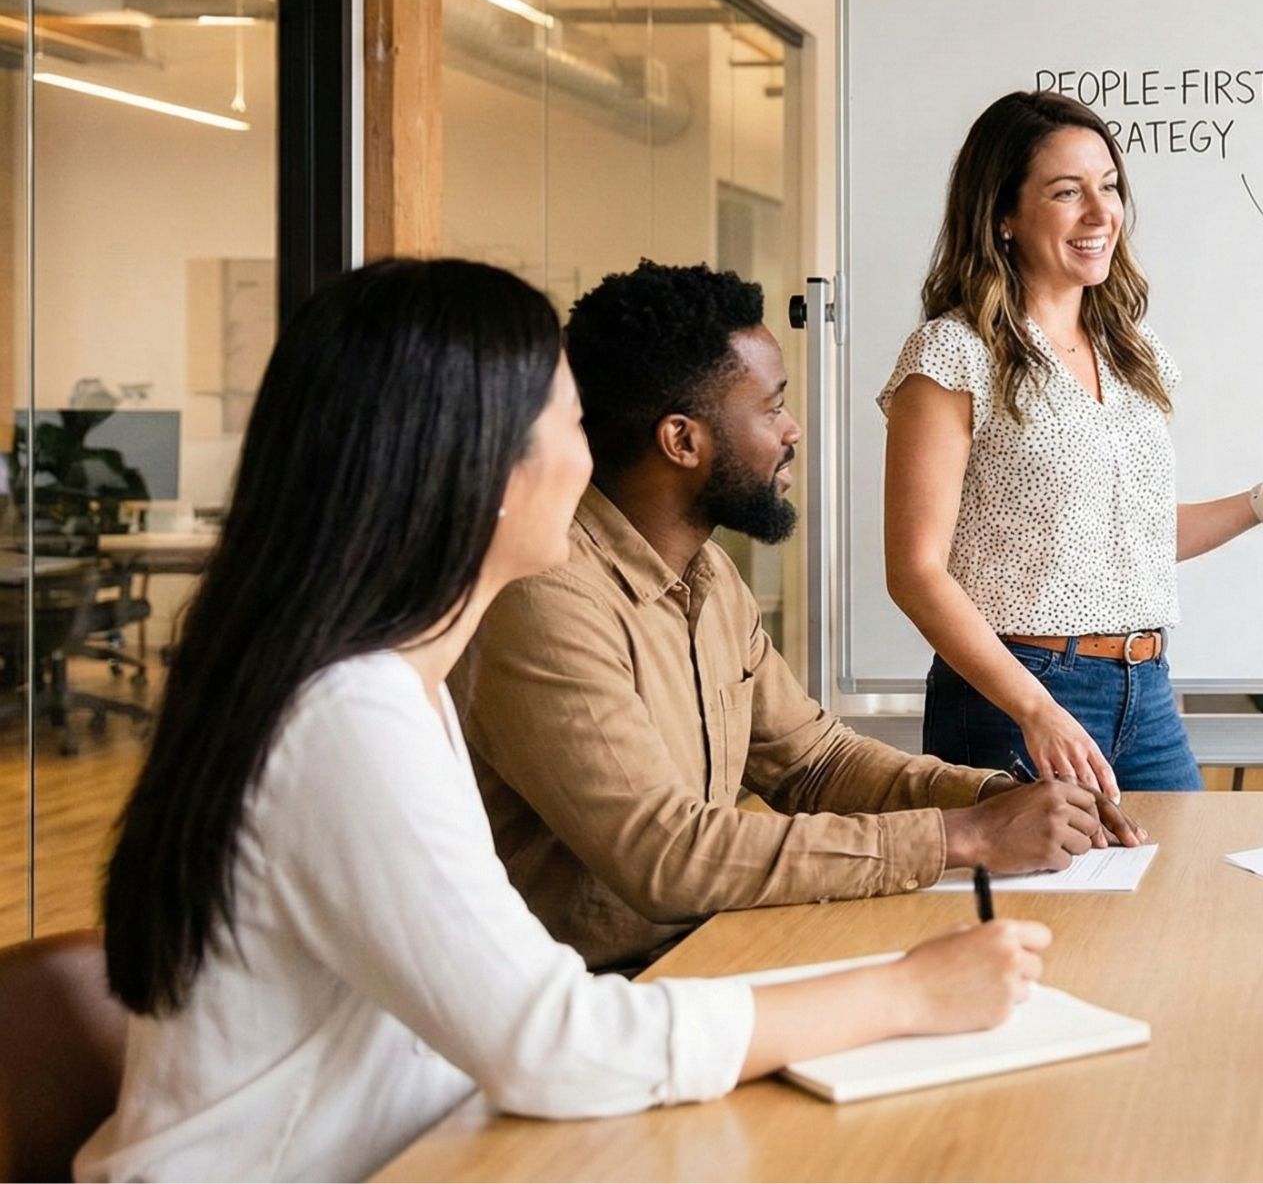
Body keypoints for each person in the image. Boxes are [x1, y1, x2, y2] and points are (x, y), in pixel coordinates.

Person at [81, 260, 1049, 1183]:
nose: (590, 462)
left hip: (437, 1143)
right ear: (479, 468)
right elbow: (554, 1045)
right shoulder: (348, 715)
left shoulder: (377, 687)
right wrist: (906, 991)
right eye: (572, 423)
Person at [461, 262, 1132, 975]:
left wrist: (1002, 797)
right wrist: (962, 836)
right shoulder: (547, 597)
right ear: (682, 442)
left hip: (712, 956)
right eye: (770, 407)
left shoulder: (709, 575)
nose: (793, 429)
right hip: (606, 997)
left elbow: (814, 763)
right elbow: (667, 856)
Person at [882, 89, 1263, 794]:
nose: (1102, 214)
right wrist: (1036, 708)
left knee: (1179, 895)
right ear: (1002, 216)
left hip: (1145, 689)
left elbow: (1137, 537)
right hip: (1016, 697)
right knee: (1036, 905)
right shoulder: (952, 353)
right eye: (1068, 192)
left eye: (1110, 187)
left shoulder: (1134, 353)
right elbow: (916, 571)